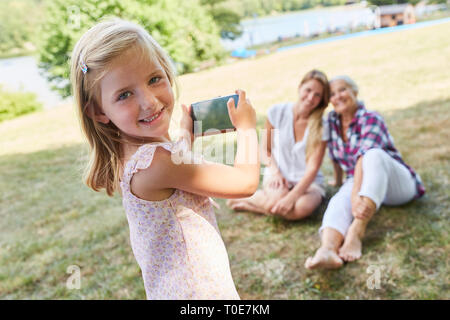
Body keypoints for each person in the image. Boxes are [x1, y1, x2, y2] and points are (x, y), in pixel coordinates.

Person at [70, 19, 260, 299]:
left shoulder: (132, 155)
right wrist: (246, 128)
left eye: (154, 79)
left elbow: (171, 167)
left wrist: (184, 135)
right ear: (98, 111)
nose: (149, 101)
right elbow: (245, 183)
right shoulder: (159, 162)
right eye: (124, 95)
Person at [305, 75, 425, 270]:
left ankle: (356, 233)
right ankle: (327, 250)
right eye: (332, 94)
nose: (338, 97)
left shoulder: (371, 118)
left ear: (355, 92)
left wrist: (355, 196)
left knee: (373, 156)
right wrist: (338, 182)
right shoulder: (333, 121)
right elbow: (336, 157)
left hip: (397, 185)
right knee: (338, 200)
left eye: (343, 90)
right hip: (364, 184)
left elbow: (363, 156)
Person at [227, 70, 330, 220]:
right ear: (300, 87)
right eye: (308, 90)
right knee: (276, 201)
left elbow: (313, 168)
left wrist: (292, 196)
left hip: (308, 182)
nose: (310, 98)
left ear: (322, 99)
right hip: (278, 175)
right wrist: (276, 172)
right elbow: (264, 149)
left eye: (317, 95)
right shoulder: (277, 112)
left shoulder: (322, 126)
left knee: (301, 208)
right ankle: (252, 198)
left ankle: (250, 203)